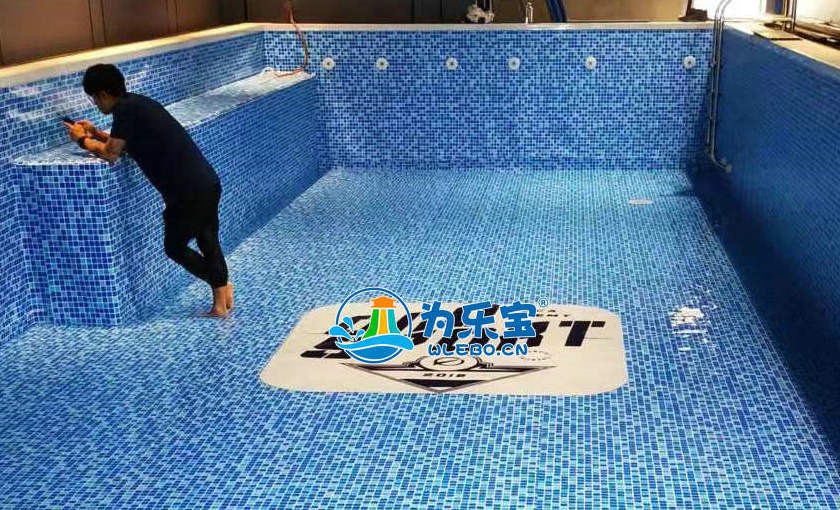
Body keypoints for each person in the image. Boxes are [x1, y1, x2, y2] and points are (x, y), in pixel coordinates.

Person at [65, 63, 234, 318]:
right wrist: (96, 133)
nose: (96, 105)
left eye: (94, 99)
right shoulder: (137, 103)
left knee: (174, 247)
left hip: (186, 193)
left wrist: (80, 139)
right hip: (205, 182)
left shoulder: (125, 111)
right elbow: (125, 143)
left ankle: (221, 286)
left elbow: (111, 153)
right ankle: (221, 302)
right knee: (207, 237)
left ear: (103, 94)